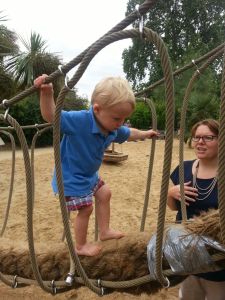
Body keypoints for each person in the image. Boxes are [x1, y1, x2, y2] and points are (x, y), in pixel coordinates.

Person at [34, 74, 159, 256]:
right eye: (117, 118)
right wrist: (47, 92)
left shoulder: (111, 127)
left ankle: (104, 231)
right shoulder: (80, 121)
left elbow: (129, 133)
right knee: (86, 209)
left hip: (89, 175)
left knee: (105, 193)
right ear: (97, 109)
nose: (120, 123)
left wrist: (145, 133)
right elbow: (51, 116)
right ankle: (81, 246)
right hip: (71, 178)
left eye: (124, 119)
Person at [167, 119, 225, 300]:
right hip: (187, 255)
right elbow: (172, 207)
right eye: (196, 137)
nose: (200, 142)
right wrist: (171, 193)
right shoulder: (183, 169)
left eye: (208, 137)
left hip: (218, 260)